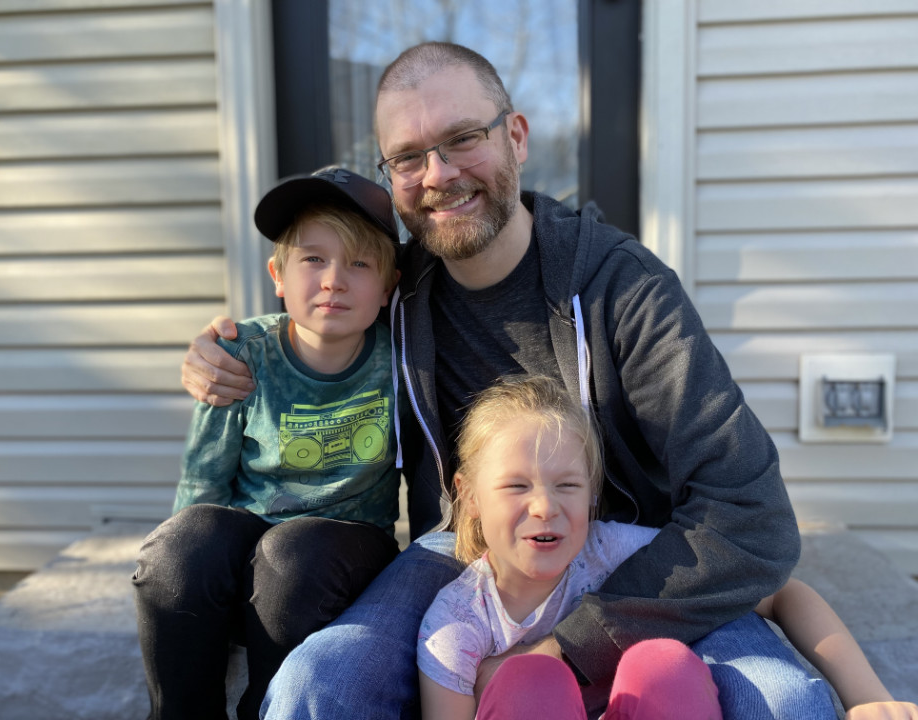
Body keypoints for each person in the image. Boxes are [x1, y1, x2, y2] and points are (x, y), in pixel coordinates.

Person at [181, 42, 831, 719]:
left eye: (463, 138)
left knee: (788, 705)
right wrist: (226, 352)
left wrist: (570, 645)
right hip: (466, 552)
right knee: (316, 685)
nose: (437, 174)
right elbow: (311, 316)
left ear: (515, 136)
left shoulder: (624, 289)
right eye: (407, 156)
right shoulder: (395, 288)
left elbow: (754, 519)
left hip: (631, 557)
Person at [418, 375, 918, 720]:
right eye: (516, 486)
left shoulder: (611, 554)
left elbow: (780, 592)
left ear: (593, 495)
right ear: (469, 495)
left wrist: (868, 696)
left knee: (663, 665)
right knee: (529, 680)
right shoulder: (456, 627)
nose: (546, 506)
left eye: (567, 485)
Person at [133, 167, 404, 720]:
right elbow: (202, 484)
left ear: (388, 287)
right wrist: (189, 567)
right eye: (313, 259)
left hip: (341, 548)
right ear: (277, 274)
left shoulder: (400, 359)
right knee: (176, 549)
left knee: (291, 557)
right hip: (250, 538)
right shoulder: (242, 355)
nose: (333, 280)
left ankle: (269, 709)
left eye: (359, 263)